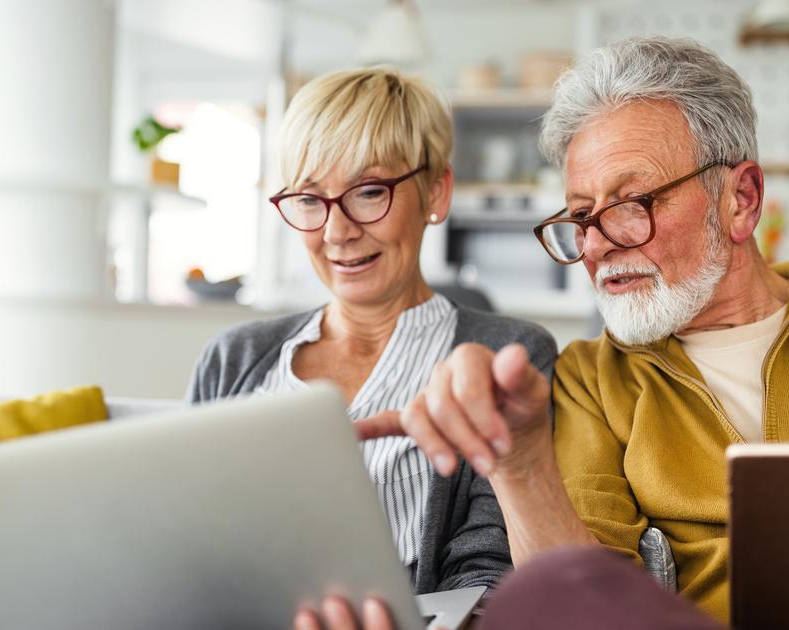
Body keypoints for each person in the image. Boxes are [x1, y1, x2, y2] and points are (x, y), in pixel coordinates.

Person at [333, 37, 789, 629]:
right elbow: (575, 605)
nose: (596, 246)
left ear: (739, 200)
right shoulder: (594, 379)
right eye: (582, 215)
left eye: (630, 205)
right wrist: (520, 463)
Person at [185, 67, 557, 598]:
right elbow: (182, 540)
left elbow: (488, 577)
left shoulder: (508, 358)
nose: (337, 231)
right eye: (310, 199)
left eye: (369, 192)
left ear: (436, 191)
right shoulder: (234, 358)